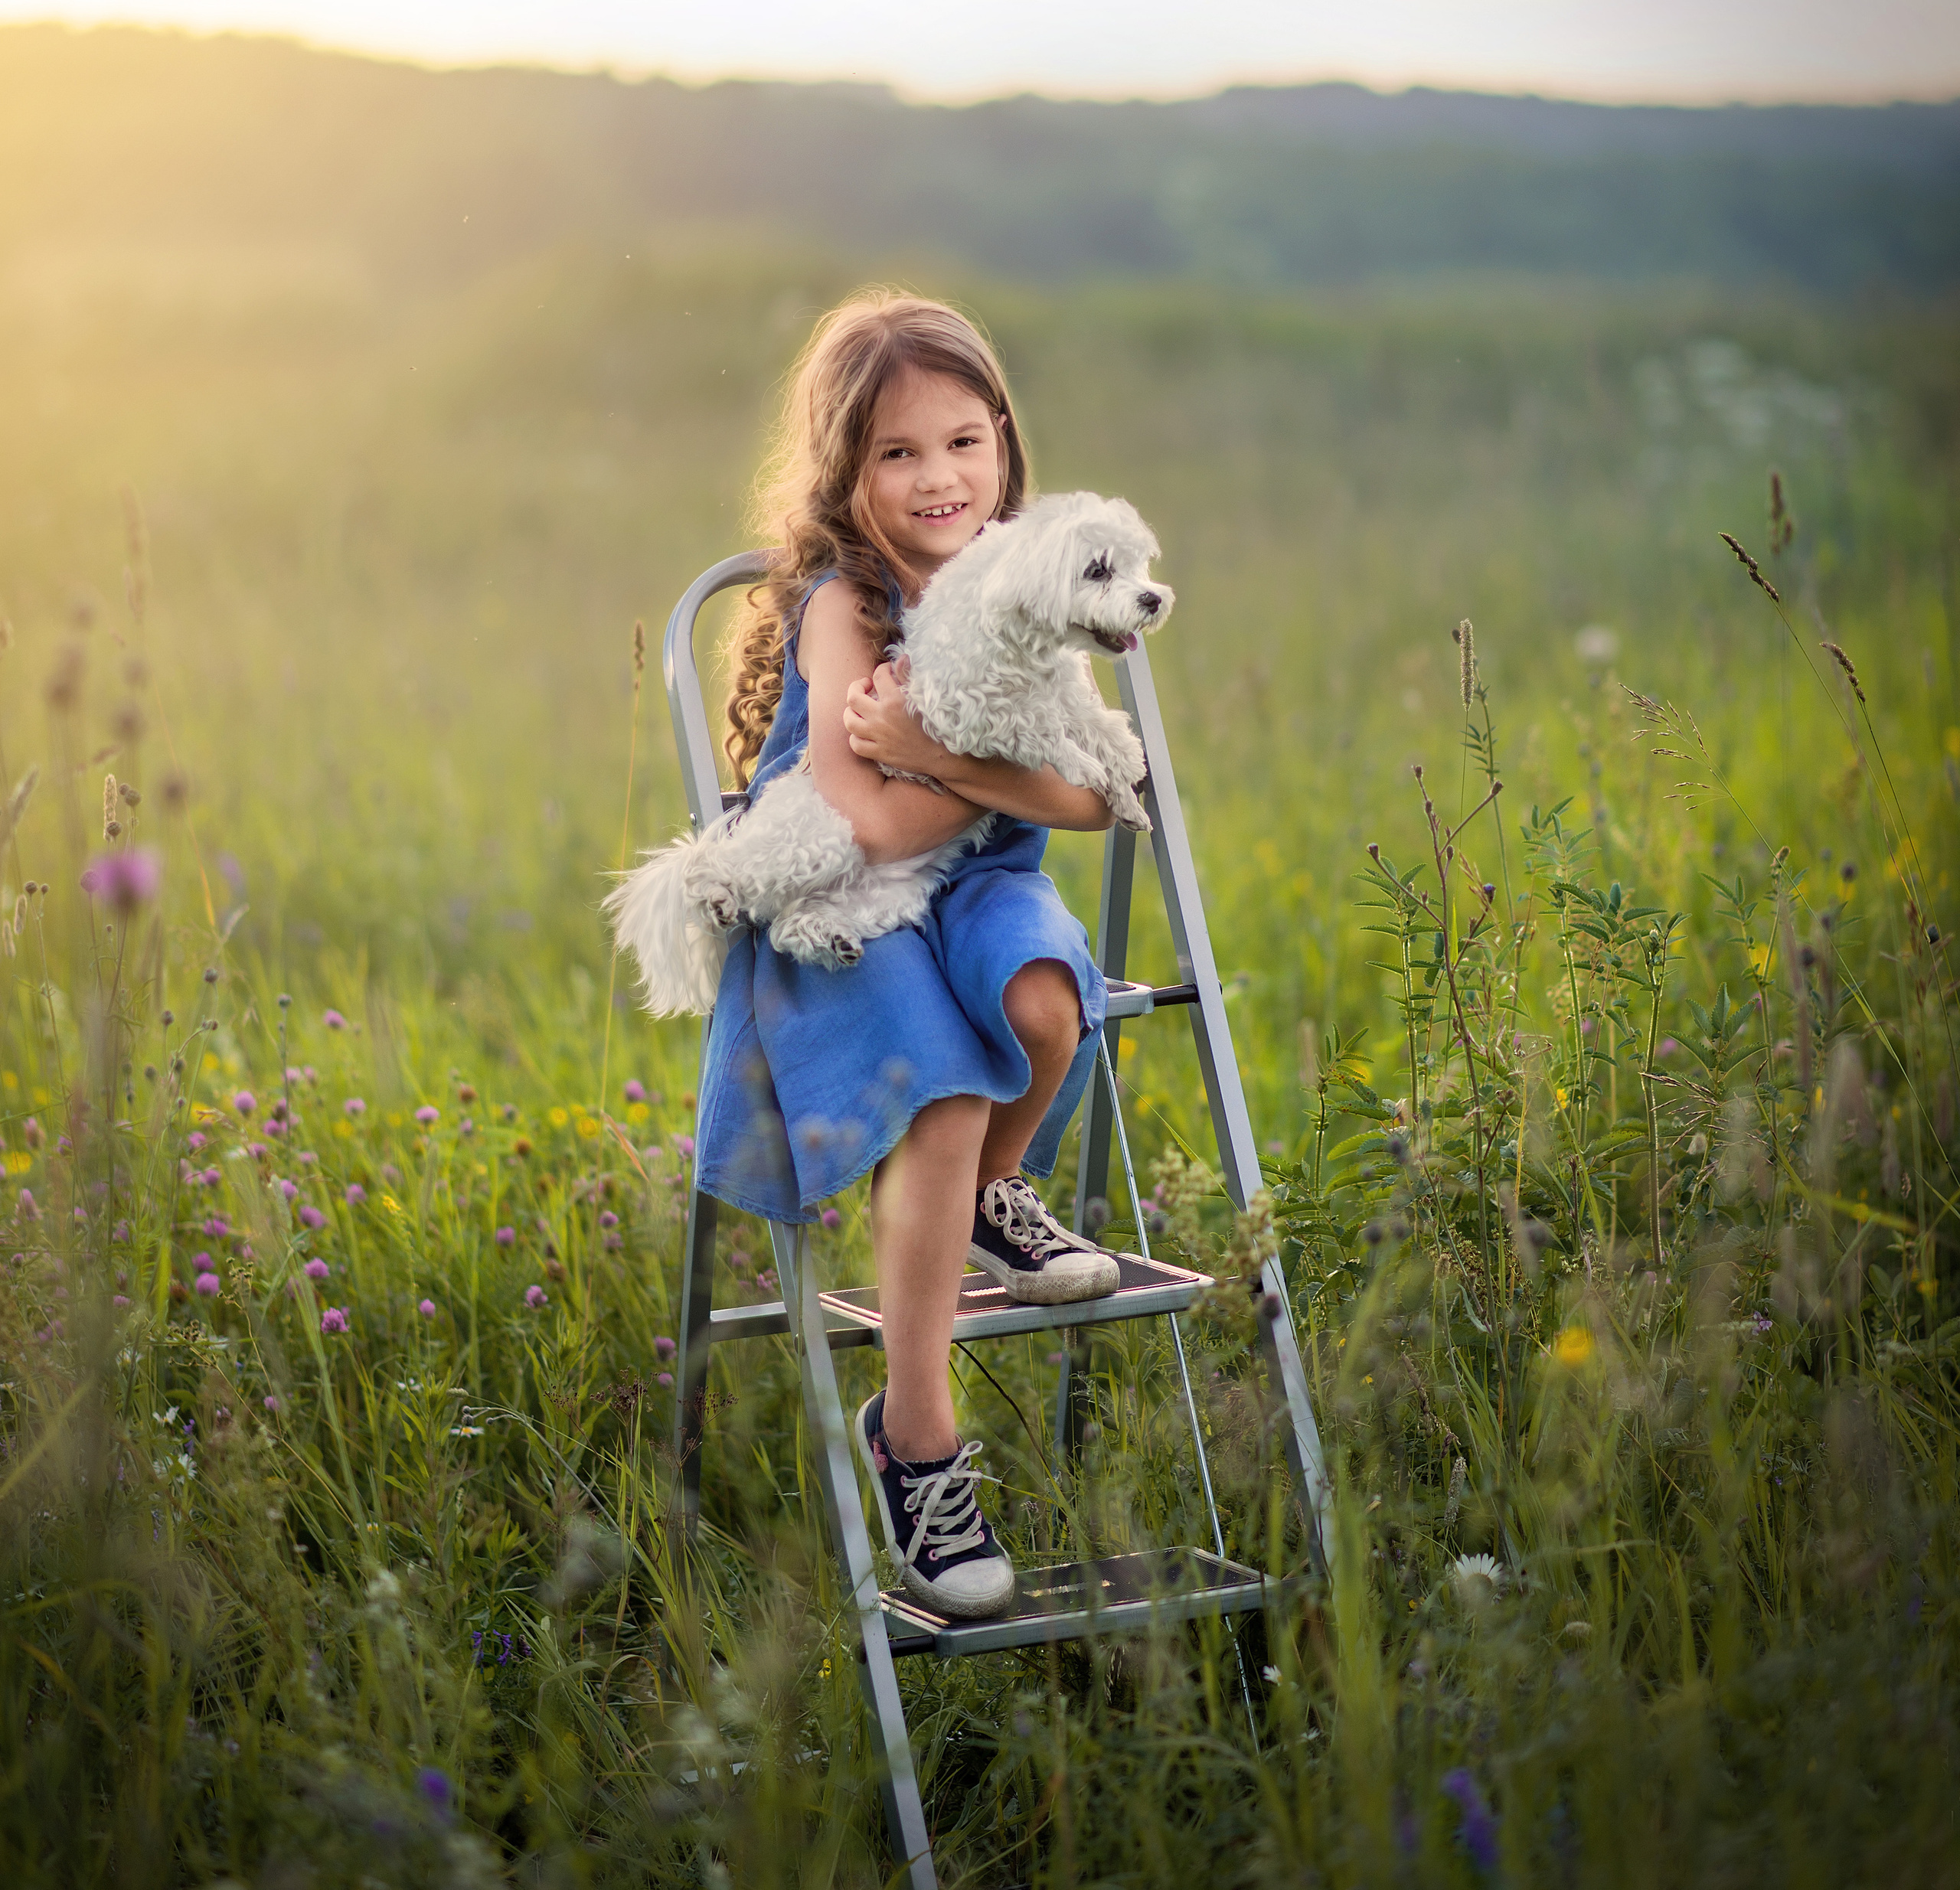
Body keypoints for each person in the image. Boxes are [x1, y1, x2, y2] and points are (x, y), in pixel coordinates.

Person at [694, 291, 1141, 1617]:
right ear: (848, 475)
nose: (939, 477)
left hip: (985, 877)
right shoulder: (846, 605)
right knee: (946, 1091)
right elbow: (869, 817)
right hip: (849, 891)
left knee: (1047, 1008)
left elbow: (1088, 797)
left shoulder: (1036, 574)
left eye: (963, 440)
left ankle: (991, 1198)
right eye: (898, 454)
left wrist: (944, 753)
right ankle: (919, 1433)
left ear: (1004, 441)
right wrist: (991, 773)